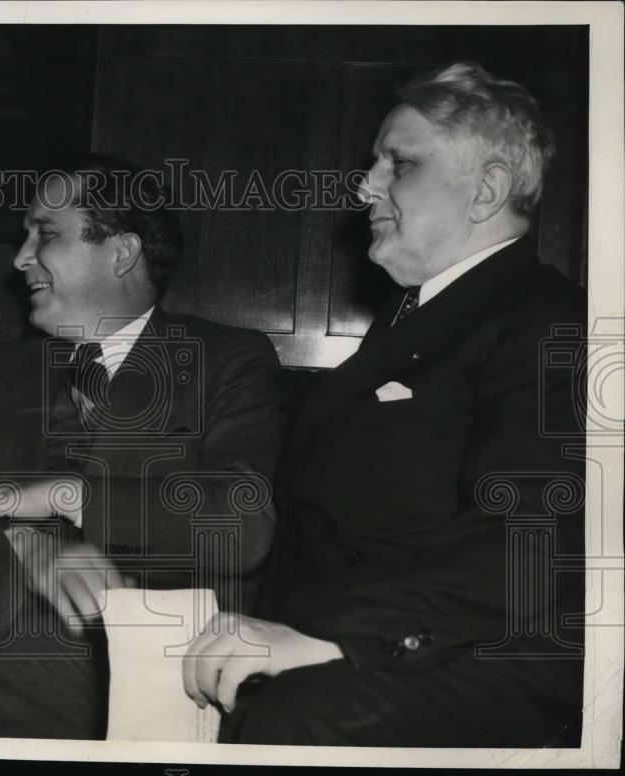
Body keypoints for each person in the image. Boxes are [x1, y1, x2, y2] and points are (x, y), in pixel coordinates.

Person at [182, 62, 586, 747]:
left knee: (296, 716)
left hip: (468, 648)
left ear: (485, 189)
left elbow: (525, 540)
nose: (364, 184)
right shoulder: (416, 315)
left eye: (397, 163)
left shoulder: (553, 323)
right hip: (367, 632)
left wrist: (335, 640)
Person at [0, 156, 287, 738]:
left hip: (145, 657)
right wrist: (25, 543)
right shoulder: (4, 374)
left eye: (44, 233)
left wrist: (65, 496)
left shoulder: (226, 360)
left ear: (121, 252)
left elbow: (243, 519)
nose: (20, 258)